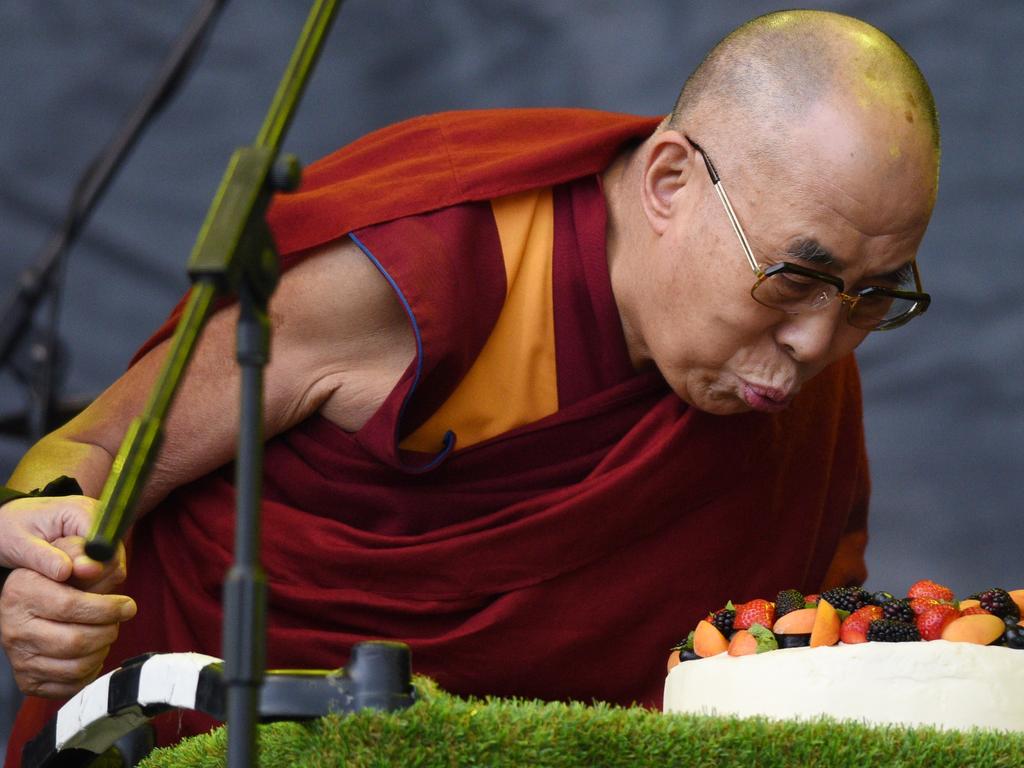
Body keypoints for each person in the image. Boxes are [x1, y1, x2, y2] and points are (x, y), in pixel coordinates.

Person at [1, 8, 939, 761]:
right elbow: (83, 456)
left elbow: (785, 657)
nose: (820, 340)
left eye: (873, 297)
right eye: (796, 278)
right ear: (668, 181)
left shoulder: (791, 369)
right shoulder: (420, 268)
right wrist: (50, 572)